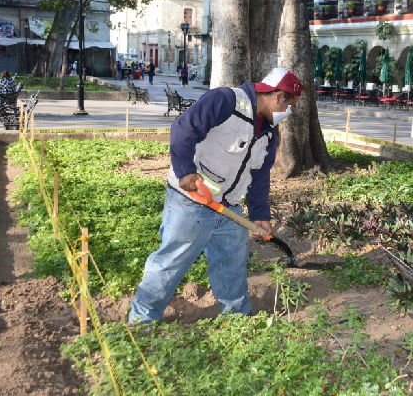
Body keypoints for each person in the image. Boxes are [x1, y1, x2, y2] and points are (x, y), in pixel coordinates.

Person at [128, 68, 304, 324]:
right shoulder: (227, 101)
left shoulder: (268, 134)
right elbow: (183, 128)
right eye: (290, 106)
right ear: (278, 97)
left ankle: (236, 321)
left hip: (229, 208)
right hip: (192, 201)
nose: (288, 113)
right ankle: (142, 320)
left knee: (232, 264)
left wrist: (259, 215)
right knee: (172, 260)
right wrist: (185, 170)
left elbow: (260, 177)